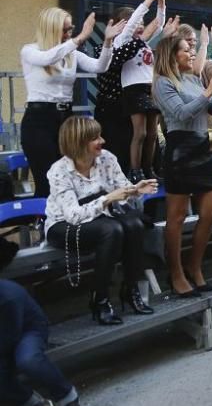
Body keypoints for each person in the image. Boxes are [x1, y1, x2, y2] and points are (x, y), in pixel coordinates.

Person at [44, 116, 159, 325]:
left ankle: (130, 289)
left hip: (101, 216)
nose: (102, 141)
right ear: (77, 142)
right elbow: (73, 215)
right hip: (63, 225)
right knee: (112, 230)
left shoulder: (107, 158)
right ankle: (100, 299)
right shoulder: (59, 171)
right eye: (95, 138)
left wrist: (136, 190)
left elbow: (122, 188)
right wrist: (107, 198)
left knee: (134, 224)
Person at [152, 33, 212, 297]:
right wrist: (209, 91)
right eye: (186, 50)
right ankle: (175, 274)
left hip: (201, 147)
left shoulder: (193, 79)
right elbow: (182, 114)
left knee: (209, 213)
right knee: (177, 217)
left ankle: (194, 267)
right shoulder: (162, 83)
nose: (191, 53)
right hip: (180, 149)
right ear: (172, 55)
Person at [20, 7, 125, 198]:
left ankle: (70, 223)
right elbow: (48, 58)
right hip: (39, 119)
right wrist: (80, 37)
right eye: (65, 29)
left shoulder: (72, 54)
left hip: (66, 119)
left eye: (71, 29)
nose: (69, 33)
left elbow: (100, 67)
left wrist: (108, 41)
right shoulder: (30, 51)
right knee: (47, 177)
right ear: (51, 28)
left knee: (71, 174)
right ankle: (46, 222)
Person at [0, 265, 83, 406]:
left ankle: (69, 401)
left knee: (29, 360)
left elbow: (9, 337)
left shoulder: (7, 298)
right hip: (6, 335)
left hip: (27, 328)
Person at [118, 0, 172, 182]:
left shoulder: (145, 43)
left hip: (151, 88)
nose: (140, 26)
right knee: (139, 133)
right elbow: (130, 26)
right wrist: (147, 1)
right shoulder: (122, 43)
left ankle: (149, 169)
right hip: (133, 89)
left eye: (142, 22)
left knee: (152, 135)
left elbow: (158, 23)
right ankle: (135, 170)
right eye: (137, 22)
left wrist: (161, 2)